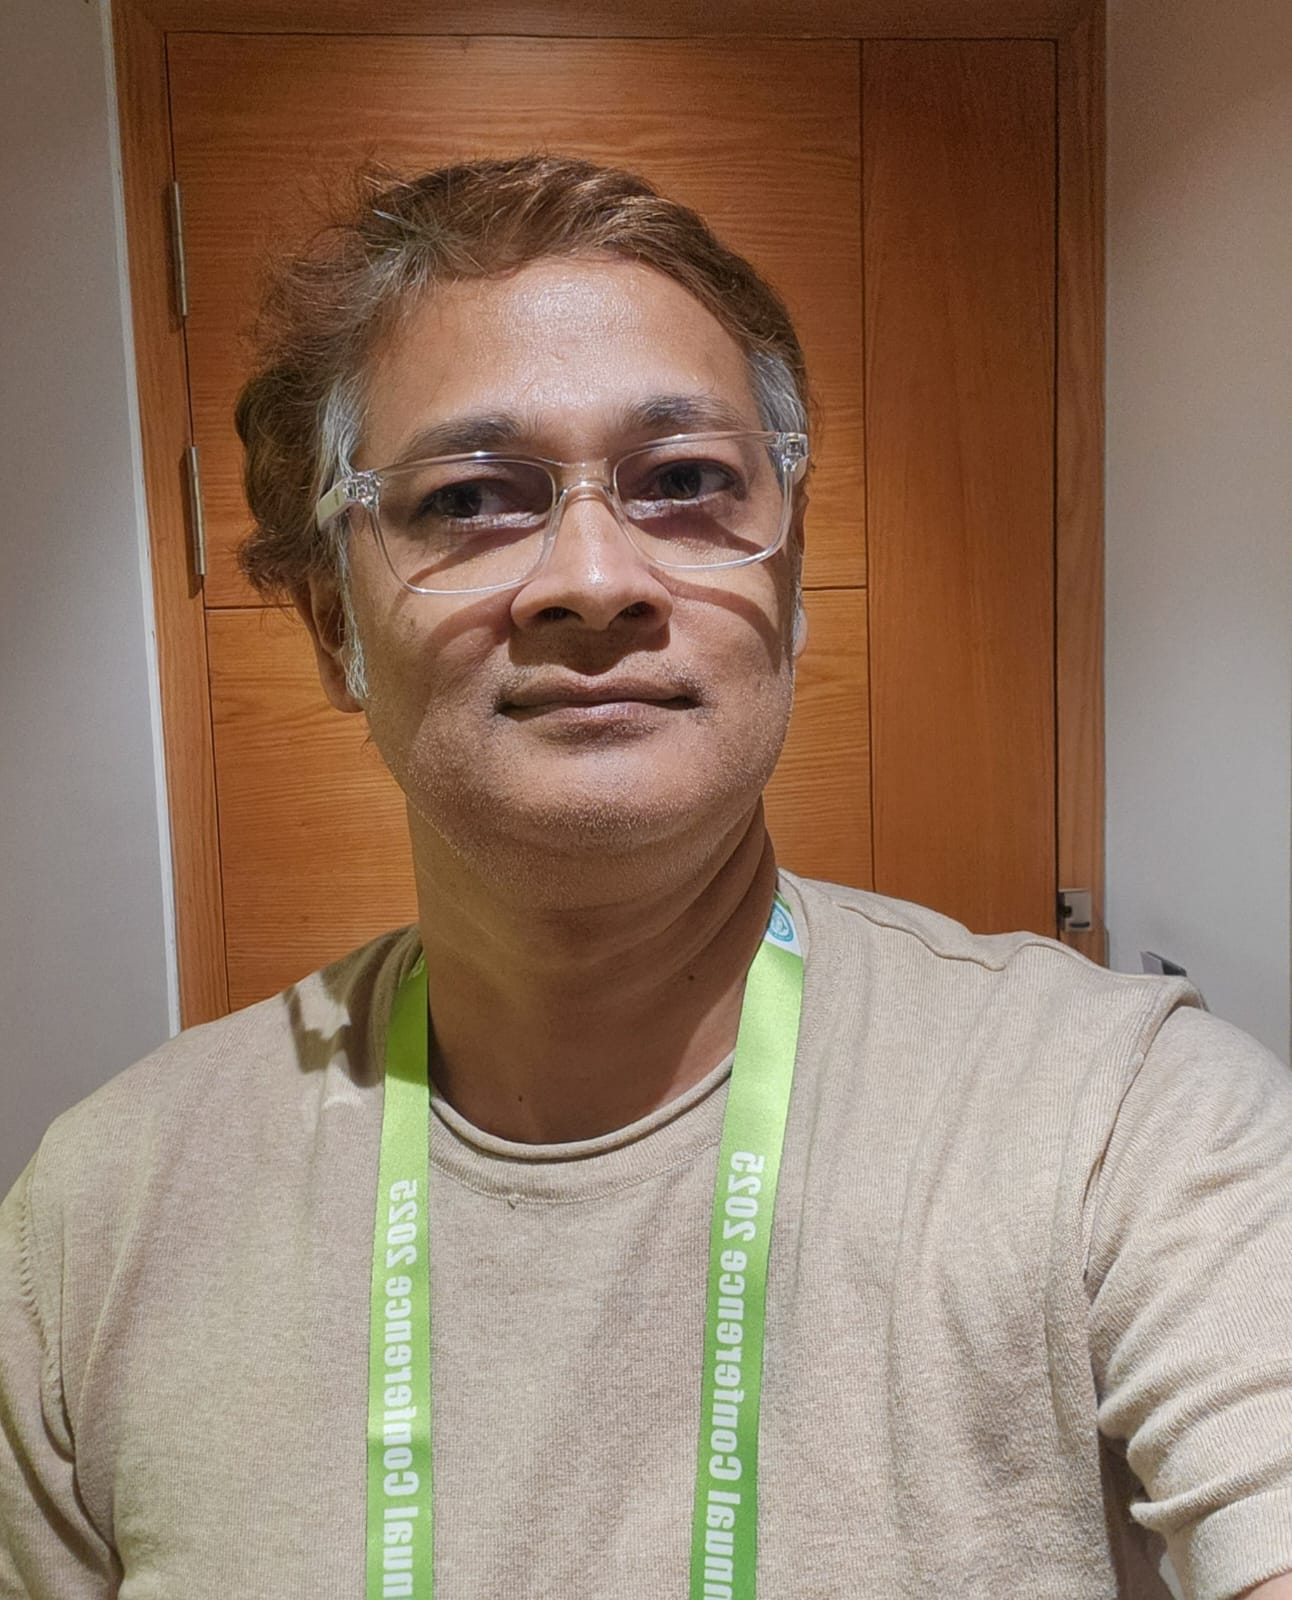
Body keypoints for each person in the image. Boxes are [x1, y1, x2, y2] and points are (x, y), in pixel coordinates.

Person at [2, 155, 1290, 1600]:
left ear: (789, 583)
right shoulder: (99, 1223)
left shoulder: (1128, 1127)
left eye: (684, 481)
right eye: (470, 497)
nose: (596, 577)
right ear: (329, 624)